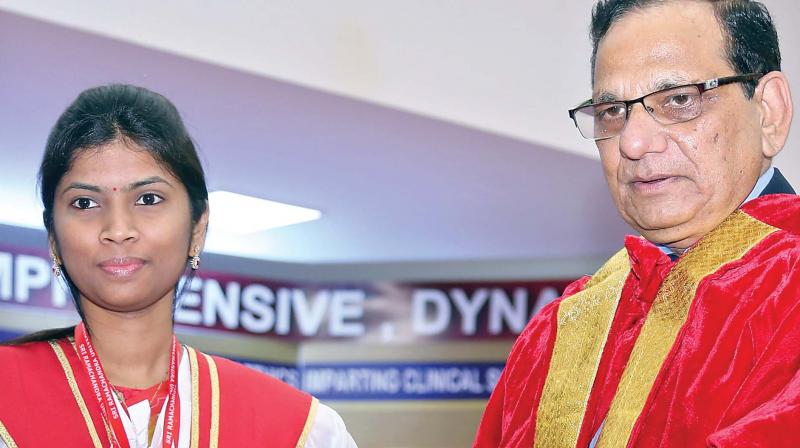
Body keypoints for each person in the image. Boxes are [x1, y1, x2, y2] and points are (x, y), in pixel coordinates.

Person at [474, 0, 798, 447]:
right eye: (612, 112)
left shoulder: (788, 289)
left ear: (769, 112)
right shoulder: (559, 328)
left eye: (679, 99)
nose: (633, 142)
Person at [0, 84, 357, 448]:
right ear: (53, 238)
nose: (119, 230)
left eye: (148, 198)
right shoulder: (6, 399)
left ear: (197, 226)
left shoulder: (295, 429)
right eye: (85, 203)